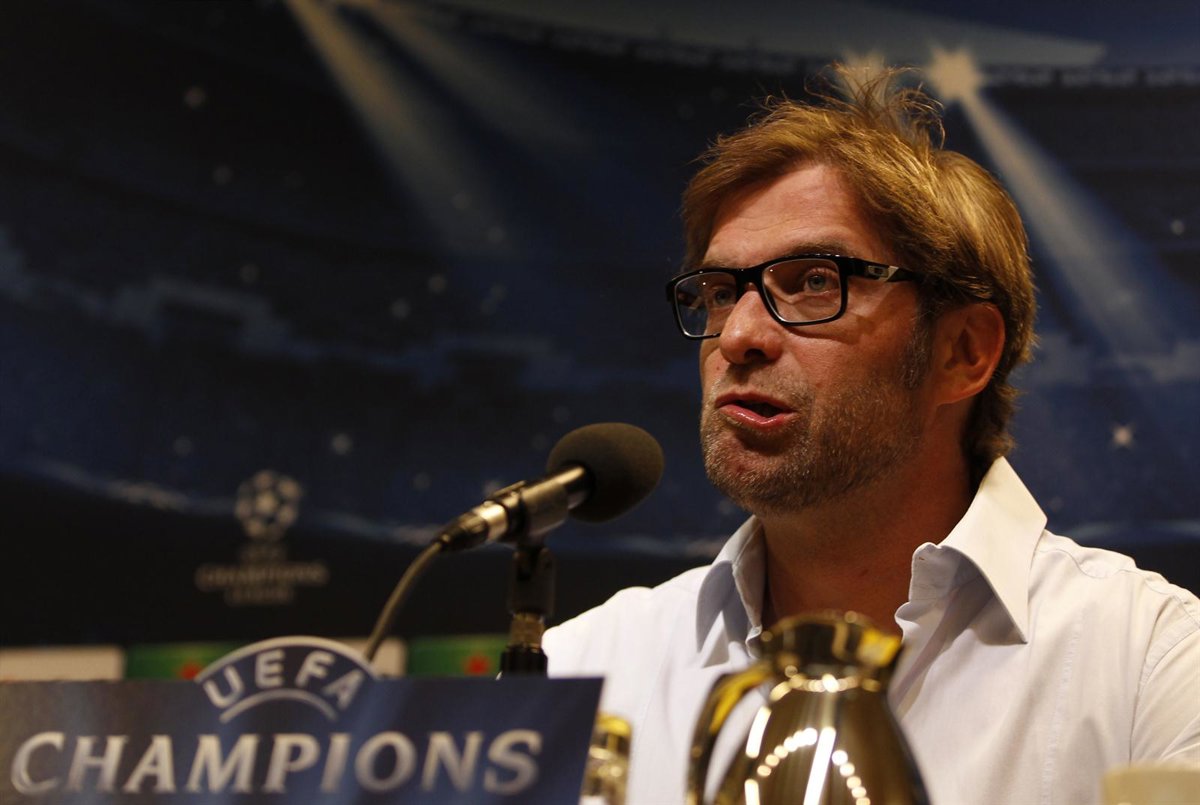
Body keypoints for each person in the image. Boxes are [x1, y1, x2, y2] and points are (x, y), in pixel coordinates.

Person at [543, 66, 1200, 805]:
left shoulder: (1156, 665)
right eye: (722, 292)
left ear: (964, 351)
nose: (739, 336)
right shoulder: (579, 672)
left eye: (814, 282)